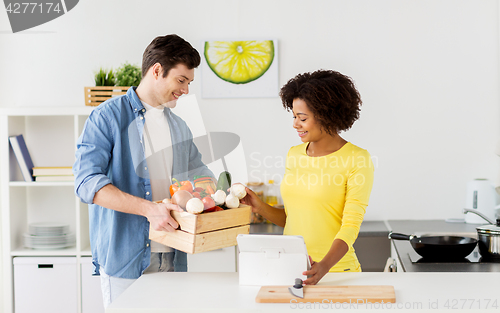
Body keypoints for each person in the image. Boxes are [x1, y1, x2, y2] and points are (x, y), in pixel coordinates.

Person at [73, 34, 214, 307]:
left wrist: (227, 192)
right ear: (157, 71)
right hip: (126, 259)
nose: (185, 90)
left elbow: (201, 176)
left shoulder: (179, 127)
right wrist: (149, 209)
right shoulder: (107, 117)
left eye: (189, 82)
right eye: (181, 80)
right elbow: (86, 182)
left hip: (173, 256)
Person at [240, 69, 374, 285]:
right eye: (294, 116)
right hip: (293, 270)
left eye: (302, 118)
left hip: (338, 273)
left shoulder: (357, 158)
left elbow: (350, 227)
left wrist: (324, 266)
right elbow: (292, 220)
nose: (295, 124)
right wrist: (260, 206)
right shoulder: (294, 154)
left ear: (327, 115)